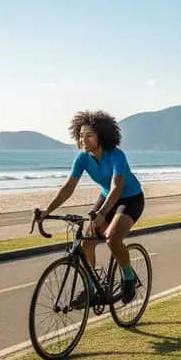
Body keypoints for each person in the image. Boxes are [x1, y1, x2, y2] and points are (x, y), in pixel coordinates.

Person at [39, 110, 144, 306]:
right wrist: (47, 211)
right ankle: (91, 289)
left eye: (89, 135)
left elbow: (116, 187)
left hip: (130, 199)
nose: (83, 140)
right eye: (80, 136)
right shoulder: (82, 158)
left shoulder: (116, 155)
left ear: (101, 136)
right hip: (106, 197)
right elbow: (68, 187)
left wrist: (102, 213)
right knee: (87, 242)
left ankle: (128, 278)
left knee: (113, 238)